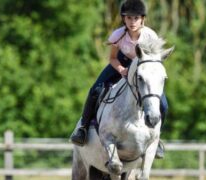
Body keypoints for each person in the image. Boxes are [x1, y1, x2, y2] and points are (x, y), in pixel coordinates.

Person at [70, 0, 168, 158]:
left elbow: (154, 62)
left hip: (143, 68)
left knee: (163, 102)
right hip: (121, 63)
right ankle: (83, 127)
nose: (132, 22)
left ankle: (156, 139)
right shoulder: (118, 34)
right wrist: (122, 70)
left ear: (142, 19)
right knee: (95, 89)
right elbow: (113, 58)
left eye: (136, 18)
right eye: (128, 18)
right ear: (124, 19)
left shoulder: (150, 36)